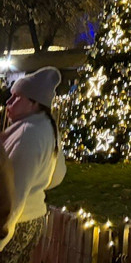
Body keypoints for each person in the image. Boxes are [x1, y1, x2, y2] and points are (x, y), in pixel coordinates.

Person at [0, 67, 66, 261]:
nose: (8, 102)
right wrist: (38, 186)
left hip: (15, 224)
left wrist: (2, 238)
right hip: (33, 220)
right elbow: (57, 175)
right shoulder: (47, 127)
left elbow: (15, 193)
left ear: (34, 103)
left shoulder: (29, 134)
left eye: (16, 98)